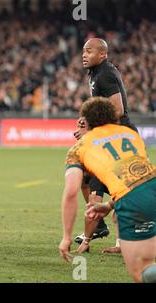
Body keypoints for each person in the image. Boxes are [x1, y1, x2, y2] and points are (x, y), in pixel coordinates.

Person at [59, 97, 156, 282]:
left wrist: (66, 237)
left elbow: (72, 191)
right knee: (148, 262)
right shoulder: (130, 133)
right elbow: (139, 177)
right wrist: (110, 205)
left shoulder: (79, 148)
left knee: (141, 270)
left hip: (133, 201)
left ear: (86, 121)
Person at [73, 38, 138, 254]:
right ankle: (98, 227)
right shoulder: (95, 73)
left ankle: (120, 240)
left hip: (121, 140)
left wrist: (90, 126)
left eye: (89, 51)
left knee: (122, 191)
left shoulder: (106, 73)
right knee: (86, 179)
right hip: (108, 138)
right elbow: (101, 107)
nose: (84, 55)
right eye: (83, 51)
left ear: (102, 54)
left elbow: (117, 109)